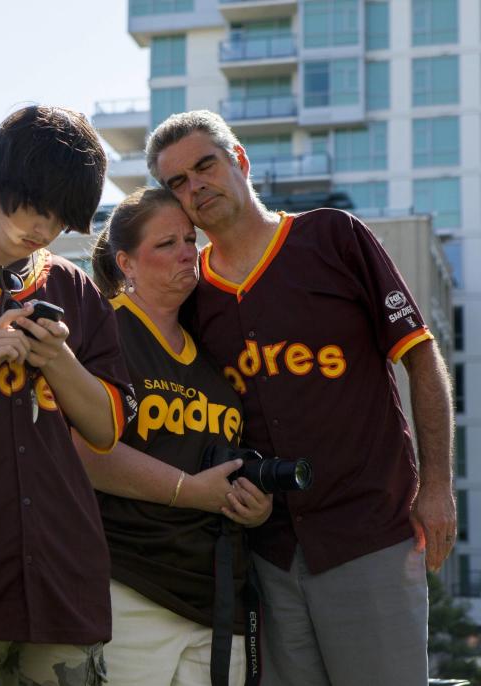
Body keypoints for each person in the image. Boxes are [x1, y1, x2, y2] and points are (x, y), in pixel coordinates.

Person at [146, 109, 455, 686]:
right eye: (177, 184)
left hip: (369, 535)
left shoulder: (333, 236)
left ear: (239, 160)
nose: (195, 188)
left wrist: (436, 487)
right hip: (269, 553)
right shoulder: (190, 298)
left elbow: (421, 358)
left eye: (205, 166)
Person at [0, 105, 136, 686]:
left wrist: (59, 360)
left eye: (62, 219)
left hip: (62, 588)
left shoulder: (72, 286)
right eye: (36, 206)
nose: (44, 229)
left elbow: (106, 430)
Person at [76, 186, 271, 686]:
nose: (188, 251)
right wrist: (190, 491)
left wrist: (256, 504)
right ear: (127, 262)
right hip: (131, 588)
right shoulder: (103, 334)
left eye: (190, 238)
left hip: (221, 598)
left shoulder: (212, 349)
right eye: (166, 244)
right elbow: (83, 452)